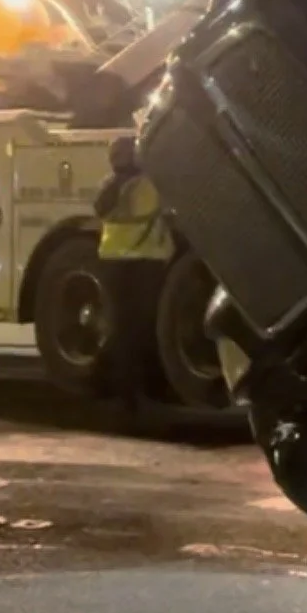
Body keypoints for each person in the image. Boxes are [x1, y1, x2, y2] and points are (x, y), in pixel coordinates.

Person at [94, 135, 173, 423]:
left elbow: (101, 210)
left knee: (120, 329)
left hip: (114, 264)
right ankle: (137, 396)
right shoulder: (148, 184)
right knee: (140, 331)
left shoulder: (109, 185)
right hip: (145, 263)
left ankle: (118, 391)